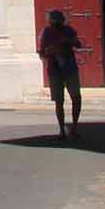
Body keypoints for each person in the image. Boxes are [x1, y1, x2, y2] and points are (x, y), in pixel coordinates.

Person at [37, 9, 84, 138]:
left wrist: (69, 41)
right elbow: (41, 52)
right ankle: (62, 130)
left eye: (58, 20)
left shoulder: (69, 31)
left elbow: (78, 44)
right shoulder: (46, 32)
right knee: (59, 101)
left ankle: (74, 127)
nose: (57, 23)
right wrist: (50, 52)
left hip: (70, 69)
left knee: (76, 98)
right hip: (55, 70)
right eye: (54, 20)